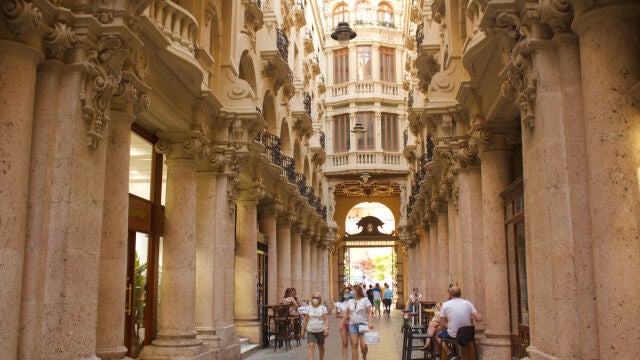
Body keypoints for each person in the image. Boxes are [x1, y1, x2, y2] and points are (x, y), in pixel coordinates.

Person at [436, 286, 482, 360]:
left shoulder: (445, 305)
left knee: (438, 336)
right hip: (467, 334)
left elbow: (442, 324)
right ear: (460, 294)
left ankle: (450, 354)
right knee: (464, 343)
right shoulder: (468, 303)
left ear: (450, 295)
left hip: (454, 334)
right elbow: (479, 319)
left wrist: (452, 326)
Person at [339, 284, 374, 360]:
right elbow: (346, 314)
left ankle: (364, 355)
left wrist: (370, 322)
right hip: (353, 325)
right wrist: (341, 323)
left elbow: (369, 312)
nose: (351, 292)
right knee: (354, 345)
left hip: (363, 324)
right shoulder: (350, 301)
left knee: (363, 346)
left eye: (353, 290)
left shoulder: (365, 300)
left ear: (357, 291)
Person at [301, 292, 329, 360]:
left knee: (321, 346)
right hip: (310, 330)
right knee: (311, 345)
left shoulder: (323, 308)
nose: (315, 299)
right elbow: (306, 319)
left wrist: (326, 329)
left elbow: (326, 319)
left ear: (320, 299)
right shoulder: (308, 308)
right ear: (311, 298)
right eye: (313, 297)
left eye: (317, 298)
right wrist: (302, 330)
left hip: (321, 330)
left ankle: (321, 358)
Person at [335, 287, 353, 360]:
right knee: (344, 343)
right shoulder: (339, 304)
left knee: (353, 344)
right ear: (343, 294)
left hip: (353, 324)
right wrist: (346, 316)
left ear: (350, 293)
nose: (346, 293)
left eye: (348, 292)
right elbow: (337, 315)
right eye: (345, 292)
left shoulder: (354, 302)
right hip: (344, 325)